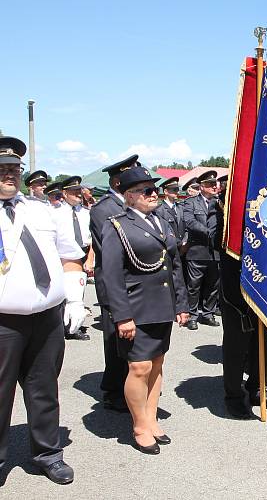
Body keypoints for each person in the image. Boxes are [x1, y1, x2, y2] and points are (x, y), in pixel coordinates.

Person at [0, 137, 86, 485]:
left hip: (47, 318)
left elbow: (69, 255)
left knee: (44, 389)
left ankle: (48, 453)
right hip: (3, 322)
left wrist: (76, 298)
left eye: (14, 170)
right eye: (2, 169)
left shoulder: (41, 210)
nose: (10, 175)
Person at [100, 166, 189, 454]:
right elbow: (111, 275)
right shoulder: (117, 225)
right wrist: (122, 316)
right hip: (136, 308)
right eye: (147, 190)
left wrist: (181, 304)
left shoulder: (161, 221)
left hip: (162, 306)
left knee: (157, 364)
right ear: (129, 196)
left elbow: (173, 265)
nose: (154, 194)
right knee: (139, 367)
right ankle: (139, 426)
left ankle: (151, 419)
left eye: (154, 189)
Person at [213, 187, 267, 418]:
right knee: (237, 347)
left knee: (262, 344)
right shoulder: (224, 218)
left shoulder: (265, 215)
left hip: (264, 288)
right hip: (236, 291)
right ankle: (233, 395)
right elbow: (217, 242)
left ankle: (258, 389)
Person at [89, 154, 140, 412]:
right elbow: (108, 253)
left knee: (133, 340)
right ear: (119, 181)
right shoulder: (103, 209)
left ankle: (132, 385)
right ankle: (113, 390)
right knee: (115, 339)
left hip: (138, 284)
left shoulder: (134, 205)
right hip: (115, 283)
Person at [55, 176, 93, 341]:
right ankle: (60, 325)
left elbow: (92, 239)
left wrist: (90, 258)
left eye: (79, 191)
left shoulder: (86, 213)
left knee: (78, 291)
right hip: (63, 256)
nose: (78, 194)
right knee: (63, 292)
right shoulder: (55, 213)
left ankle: (74, 327)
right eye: (74, 191)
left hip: (83, 252)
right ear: (64, 193)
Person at [182, 170, 221, 330]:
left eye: (215, 184)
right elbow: (189, 221)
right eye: (210, 184)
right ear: (202, 186)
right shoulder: (191, 202)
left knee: (213, 286)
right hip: (197, 250)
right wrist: (207, 231)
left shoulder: (220, 202)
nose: (214, 187)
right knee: (194, 285)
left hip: (215, 252)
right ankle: (192, 315)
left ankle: (208, 313)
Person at [154, 177, 185, 244]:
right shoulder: (159, 210)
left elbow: (186, 228)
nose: (178, 192)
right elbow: (163, 232)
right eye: (175, 189)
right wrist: (179, 244)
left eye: (178, 189)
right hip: (171, 247)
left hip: (185, 247)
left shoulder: (181, 208)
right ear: (165, 191)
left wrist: (185, 242)